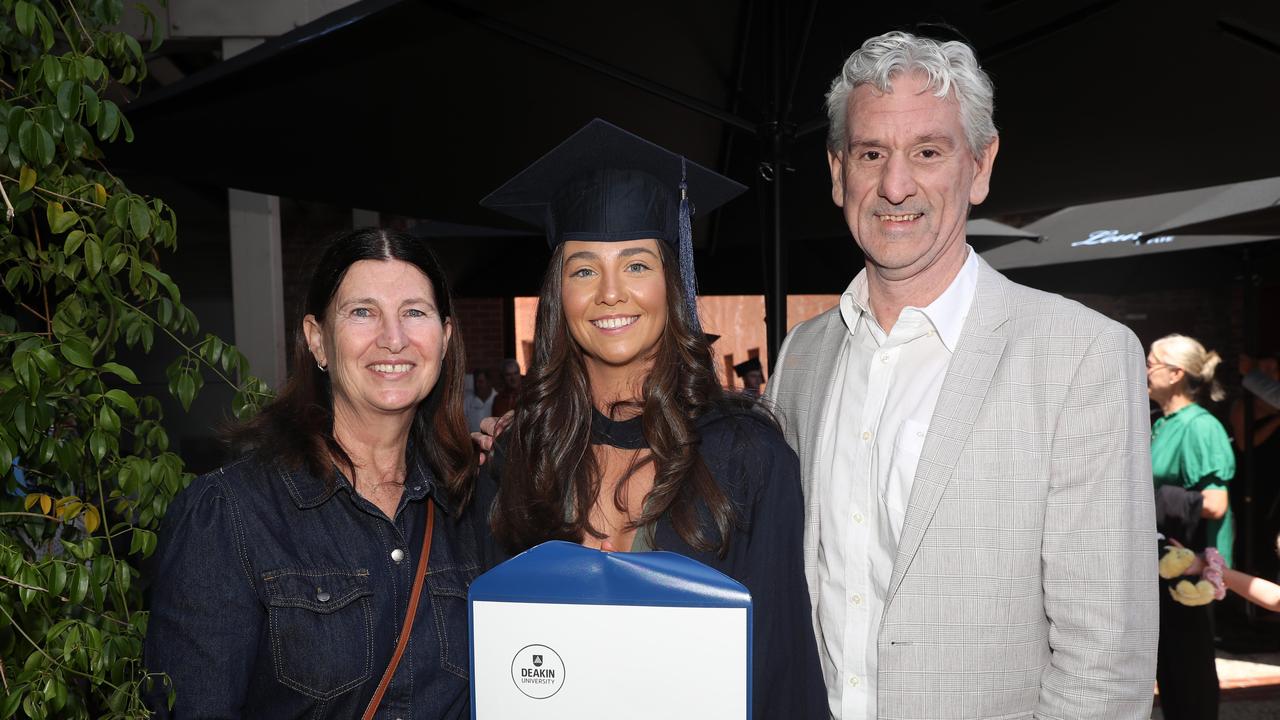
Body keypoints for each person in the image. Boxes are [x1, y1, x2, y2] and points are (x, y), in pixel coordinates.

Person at [764, 32, 1158, 719]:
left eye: (927, 152)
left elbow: (1105, 661)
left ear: (979, 165)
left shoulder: (1082, 357)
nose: (895, 185)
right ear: (837, 172)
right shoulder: (801, 357)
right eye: (871, 153)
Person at [478, 118, 826, 717]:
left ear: (674, 281)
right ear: (559, 293)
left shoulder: (746, 457)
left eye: (637, 264)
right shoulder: (521, 456)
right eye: (584, 268)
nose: (611, 293)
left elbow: (780, 672)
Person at [144, 229, 490, 718]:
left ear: (445, 337)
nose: (393, 338)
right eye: (362, 312)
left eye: (414, 312)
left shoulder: (470, 507)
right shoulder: (232, 515)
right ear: (317, 341)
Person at [1147, 333, 1234, 720]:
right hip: (1164, 567)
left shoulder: (1200, 427)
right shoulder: (1160, 423)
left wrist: (1154, 502)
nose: (1144, 370)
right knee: (1170, 676)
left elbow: (1215, 503)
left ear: (1176, 373)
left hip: (1193, 572)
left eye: (1151, 362)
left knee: (1190, 679)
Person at [464, 367, 496, 432]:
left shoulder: (497, 399)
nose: (477, 385)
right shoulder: (467, 401)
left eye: (481, 382)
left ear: (489, 382)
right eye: (475, 382)